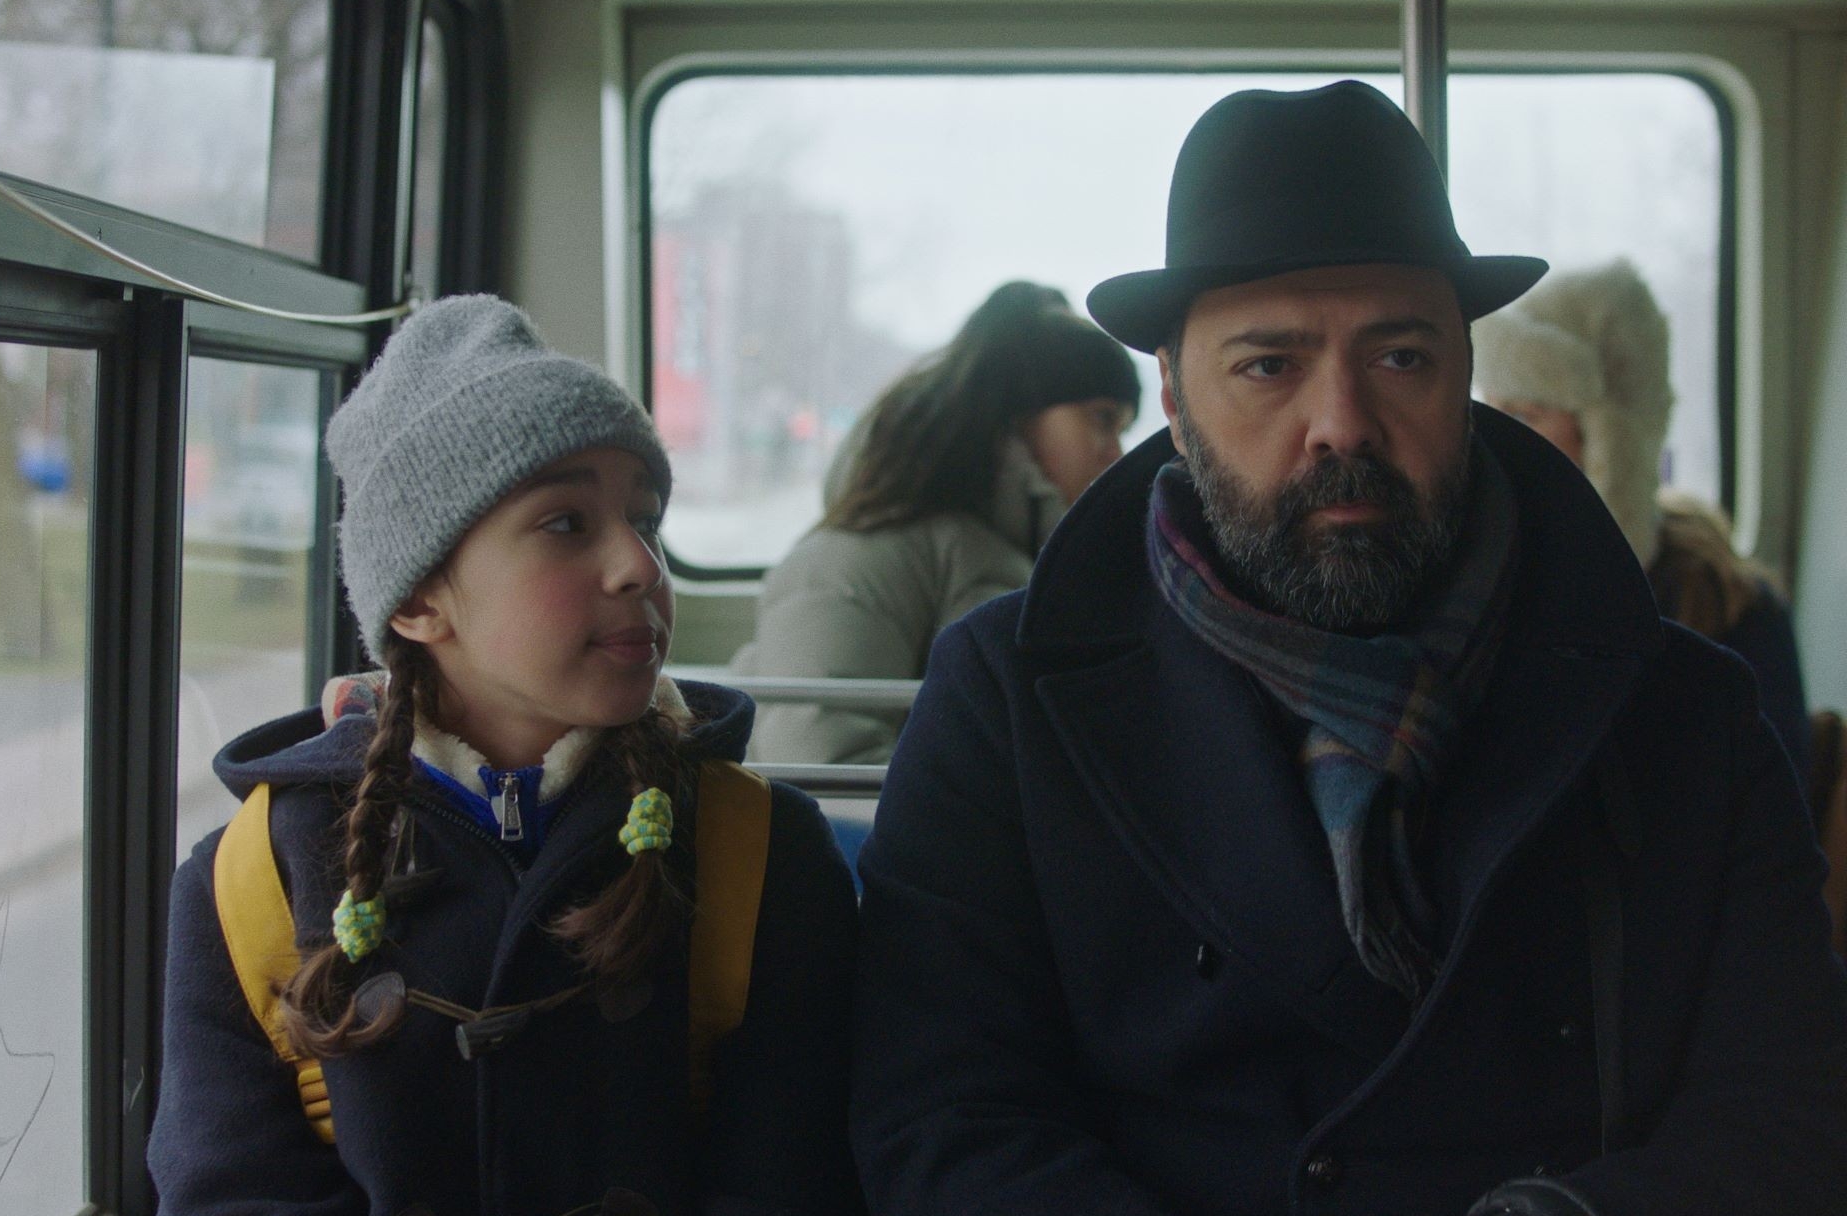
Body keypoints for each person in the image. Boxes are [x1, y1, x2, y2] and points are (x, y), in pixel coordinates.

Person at [850, 82, 1847, 1216]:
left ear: (1467, 377)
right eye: (1269, 366)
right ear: (1174, 399)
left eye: (1401, 358)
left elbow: (1789, 1112)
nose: (1342, 423)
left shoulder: (1686, 716)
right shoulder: (1006, 702)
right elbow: (943, 1117)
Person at [148, 296, 861, 1215]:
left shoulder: (760, 853)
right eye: (567, 523)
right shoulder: (253, 883)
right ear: (416, 604)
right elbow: (232, 1190)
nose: (640, 564)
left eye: (644, 519)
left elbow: (793, 1179)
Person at [733, 281, 1140, 765]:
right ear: (1021, 418)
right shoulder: (858, 557)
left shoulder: (1026, 562)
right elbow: (822, 764)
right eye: (1101, 419)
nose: (1116, 453)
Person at [1473, 259, 1810, 777]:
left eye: (1524, 416)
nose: (1500, 441)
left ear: (1607, 438)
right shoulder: (1483, 576)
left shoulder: (1731, 606)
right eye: (1491, 413)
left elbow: (1774, 809)